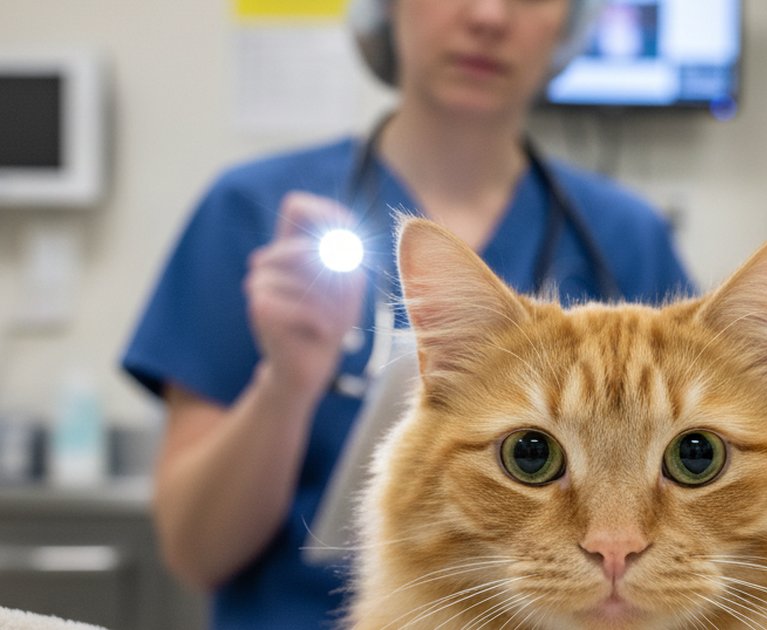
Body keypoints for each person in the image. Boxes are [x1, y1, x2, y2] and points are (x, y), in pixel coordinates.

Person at [121, 0, 693, 627]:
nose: (488, 16)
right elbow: (194, 551)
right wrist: (286, 383)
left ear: (573, 22)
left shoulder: (625, 236)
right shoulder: (253, 211)